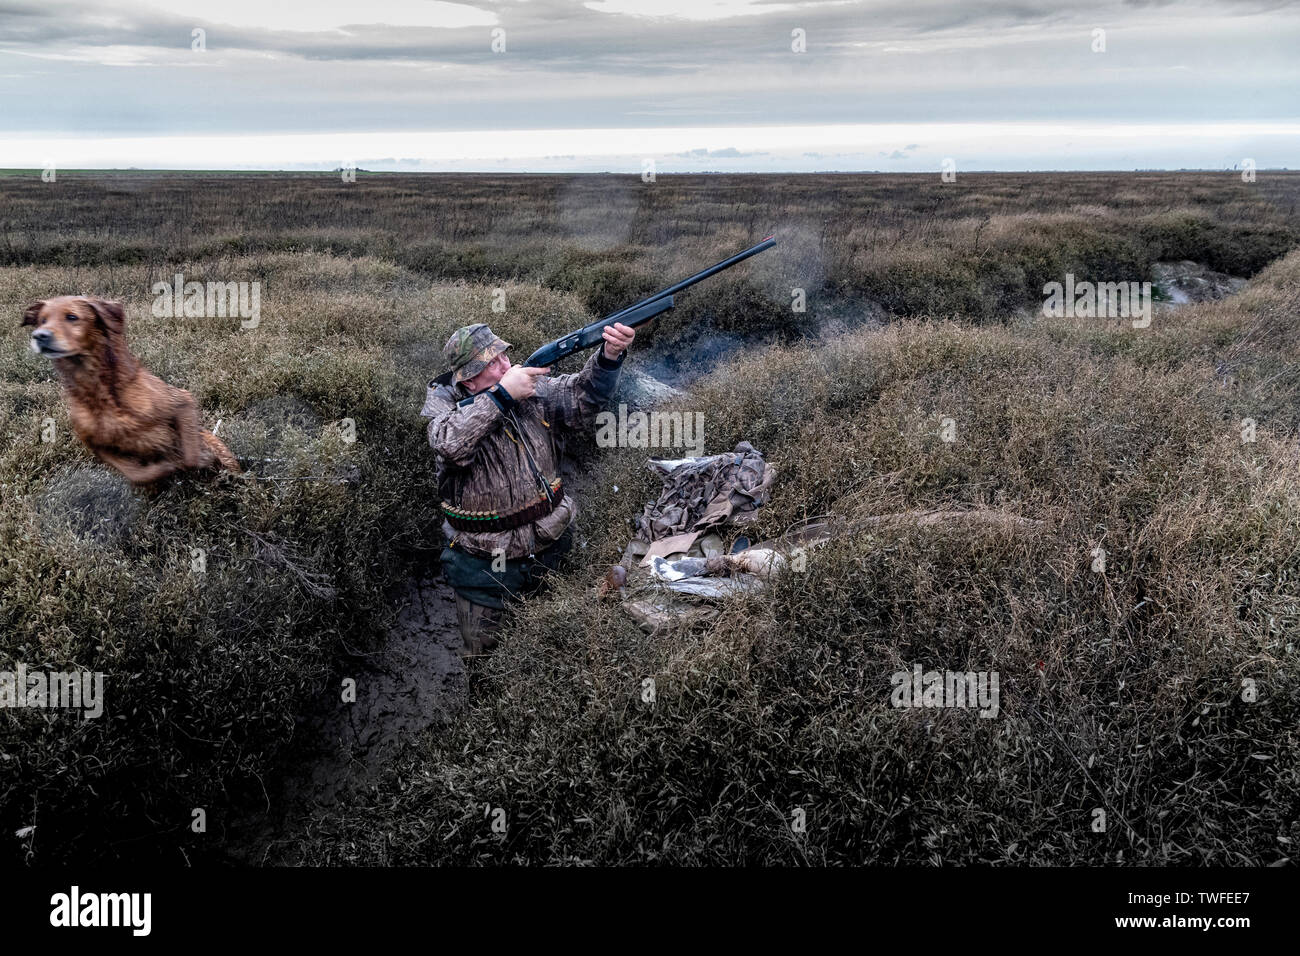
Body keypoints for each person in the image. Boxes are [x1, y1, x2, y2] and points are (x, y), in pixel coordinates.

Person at [421, 320, 635, 658]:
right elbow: (450, 443)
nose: (506, 366)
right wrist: (502, 396)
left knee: (556, 648)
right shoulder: (443, 407)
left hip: (551, 548)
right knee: (485, 660)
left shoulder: (532, 390)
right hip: (485, 568)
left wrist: (608, 356)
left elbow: (584, 396)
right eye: (492, 364)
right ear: (468, 377)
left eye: (504, 356)